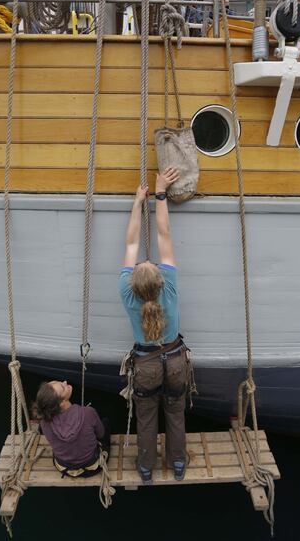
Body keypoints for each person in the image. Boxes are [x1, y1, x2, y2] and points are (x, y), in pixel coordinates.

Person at [118, 167, 195, 484]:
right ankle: (178, 464)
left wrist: (137, 203)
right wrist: (160, 193)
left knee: (147, 417)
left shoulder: (127, 292)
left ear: (134, 282)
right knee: (175, 414)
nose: (144, 260)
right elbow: (163, 235)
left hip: (146, 364)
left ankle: (147, 468)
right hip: (175, 360)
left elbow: (131, 243)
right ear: (159, 278)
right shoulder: (170, 286)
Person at [32, 380, 111, 478]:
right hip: (93, 467)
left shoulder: (44, 422)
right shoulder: (88, 413)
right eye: (63, 386)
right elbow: (100, 434)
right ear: (62, 403)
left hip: (64, 467)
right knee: (105, 424)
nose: (65, 382)